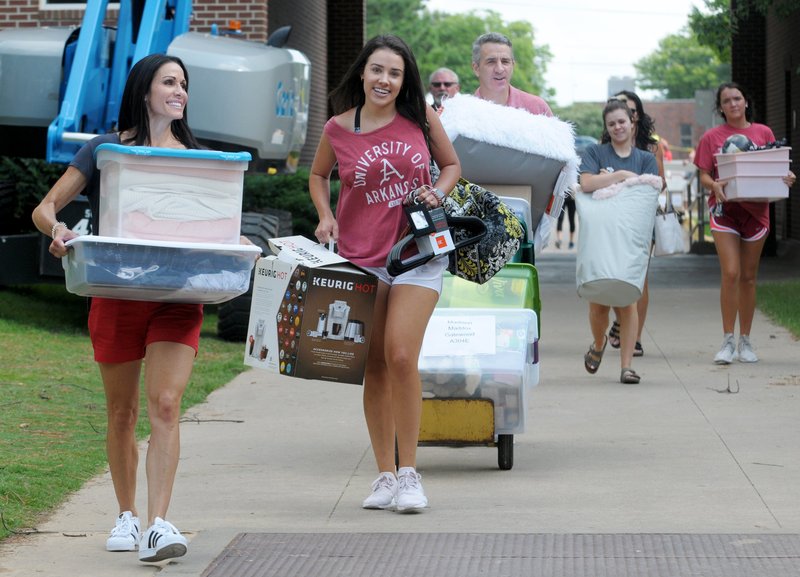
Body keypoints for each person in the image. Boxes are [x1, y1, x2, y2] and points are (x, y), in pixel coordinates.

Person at [32, 54, 207, 563]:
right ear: (144, 90)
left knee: (166, 406)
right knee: (122, 412)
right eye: (169, 82)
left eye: (184, 84)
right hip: (117, 293)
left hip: (177, 296)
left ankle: (158, 524)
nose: (179, 91)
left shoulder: (196, 155)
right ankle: (127, 514)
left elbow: (211, 218)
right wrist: (59, 231)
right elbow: (45, 209)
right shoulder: (105, 150)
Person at [308, 35, 460, 512]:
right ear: (362, 73)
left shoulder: (420, 118)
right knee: (371, 366)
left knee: (399, 355)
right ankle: (385, 477)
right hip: (361, 258)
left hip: (417, 253)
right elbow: (318, 176)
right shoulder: (337, 128)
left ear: (403, 80)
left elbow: (452, 165)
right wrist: (325, 214)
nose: (385, 80)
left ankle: (411, 474)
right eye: (377, 70)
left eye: (394, 73)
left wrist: (437, 190)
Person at [694, 82, 796, 364]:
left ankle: (746, 342)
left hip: (757, 211)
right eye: (726, 101)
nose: (733, 104)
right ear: (721, 107)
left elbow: (776, 167)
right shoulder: (711, 137)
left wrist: (786, 177)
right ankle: (727, 340)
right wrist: (713, 184)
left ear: (746, 102)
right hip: (725, 210)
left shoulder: (763, 132)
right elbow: (703, 174)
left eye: (737, 98)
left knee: (749, 277)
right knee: (731, 273)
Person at [580, 99, 659, 384]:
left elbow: (649, 192)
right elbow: (586, 184)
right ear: (606, 127)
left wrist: (611, 180)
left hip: (631, 239)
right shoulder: (595, 152)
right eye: (611, 123)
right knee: (598, 304)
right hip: (600, 239)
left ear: (632, 122)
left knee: (628, 300)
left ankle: (627, 367)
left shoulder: (646, 158)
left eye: (622, 122)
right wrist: (624, 177)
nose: (617, 127)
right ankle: (598, 343)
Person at [604, 90, 664, 358]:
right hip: (612, 220)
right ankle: (621, 320)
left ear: (635, 114)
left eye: (626, 108)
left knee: (640, 279)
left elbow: (661, 183)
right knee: (618, 276)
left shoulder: (651, 147)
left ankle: (636, 337)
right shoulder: (604, 146)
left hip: (642, 220)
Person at [471, 32, 553, 117]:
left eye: (505, 61)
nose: (499, 69)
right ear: (476, 68)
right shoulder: (465, 113)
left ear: (512, 66)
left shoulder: (537, 108)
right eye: (491, 62)